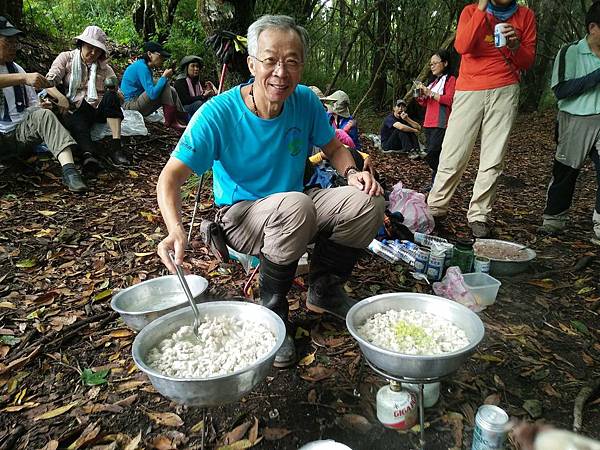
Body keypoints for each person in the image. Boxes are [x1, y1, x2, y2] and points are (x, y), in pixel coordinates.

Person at [156, 15, 384, 368]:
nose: (281, 71)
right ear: (251, 63)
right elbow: (169, 178)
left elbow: (336, 147)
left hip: (295, 206)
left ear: (302, 66)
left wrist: (352, 172)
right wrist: (174, 230)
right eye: (271, 60)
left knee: (367, 202)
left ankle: (323, 289)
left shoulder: (305, 101)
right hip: (241, 214)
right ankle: (273, 313)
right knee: (295, 206)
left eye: (292, 61)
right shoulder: (218, 113)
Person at [426, 0, 536, 238]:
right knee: (453, 151)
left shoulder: (525, 16)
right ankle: (436, 207)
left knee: (493, 156)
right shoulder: (471, 11)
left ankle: (479, 214)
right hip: (469, 88)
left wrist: (516, 45)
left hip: (505, 88)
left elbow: (527, 61)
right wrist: (482, 8)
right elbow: (462, 46)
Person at [0, 16, 86, 193]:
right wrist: (23, 78)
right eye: (8, 41)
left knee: (44, 115)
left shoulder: (16, 68)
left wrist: (40, 106)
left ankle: (70, 171)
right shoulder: (20, 74)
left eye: (15, 42)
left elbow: (31, 103)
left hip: (18, 134)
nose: (13, 46)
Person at [538, 1, 600, 243]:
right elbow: (562, 89)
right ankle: (554, 220)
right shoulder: (571, 51)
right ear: (593, 27)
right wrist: (596, 76)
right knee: (565, 172)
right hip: (575, 118)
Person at [45, 25, 130, 173]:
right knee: (78, 118)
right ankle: (88, 155)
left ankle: (116, 147)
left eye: (98, 50)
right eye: (90, 47)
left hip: (99, 108)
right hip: (76, 107)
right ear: (82, 44)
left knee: (110, 96)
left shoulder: (106, 69)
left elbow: (120, 99)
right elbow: (48, 83)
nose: (93, 53)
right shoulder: (67, 58)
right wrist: (60, 97)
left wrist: (115, 91)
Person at [120, 41, 187, 130]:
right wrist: (164, 77)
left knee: (171, 89)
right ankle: (170, 122)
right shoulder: (142, 68)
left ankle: (181, 118)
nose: (163, 59)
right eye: (160, 56)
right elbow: (152, 94)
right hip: (130, 105)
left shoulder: (145, 66)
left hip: (137, 101)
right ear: (149, 54)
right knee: (164, 83)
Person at [416, 50, 456, 184]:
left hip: (441, 122)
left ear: (445, 63)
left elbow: (449, 100)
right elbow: (425, 103)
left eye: (435, 63)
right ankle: (435, 184)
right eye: (430, 64)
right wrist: (421, 95)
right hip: (429, 122)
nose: (432, 66)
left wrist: (430, 93)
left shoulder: (451, 79)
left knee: (433, 154)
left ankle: (442, 181)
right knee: (434, 154)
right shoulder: (434, 82)